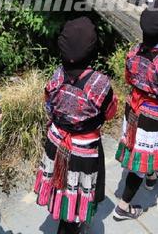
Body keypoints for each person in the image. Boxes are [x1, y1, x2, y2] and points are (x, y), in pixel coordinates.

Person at [34, 17, 117, 234]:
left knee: (61, 184)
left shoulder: (57, 76)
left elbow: (48, 107)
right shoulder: (99, 84)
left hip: (56, 140)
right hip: (82, 149)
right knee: (78, 187)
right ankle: (72, 223)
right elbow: (110, 113)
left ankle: (65, 214)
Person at [114, 4, 158, 221]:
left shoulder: (133, 53)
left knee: (134, 143)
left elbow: (128, 79)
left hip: (133, 106)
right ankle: (123, 207)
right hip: (153, 113)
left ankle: (152, 173)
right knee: (144, 156)